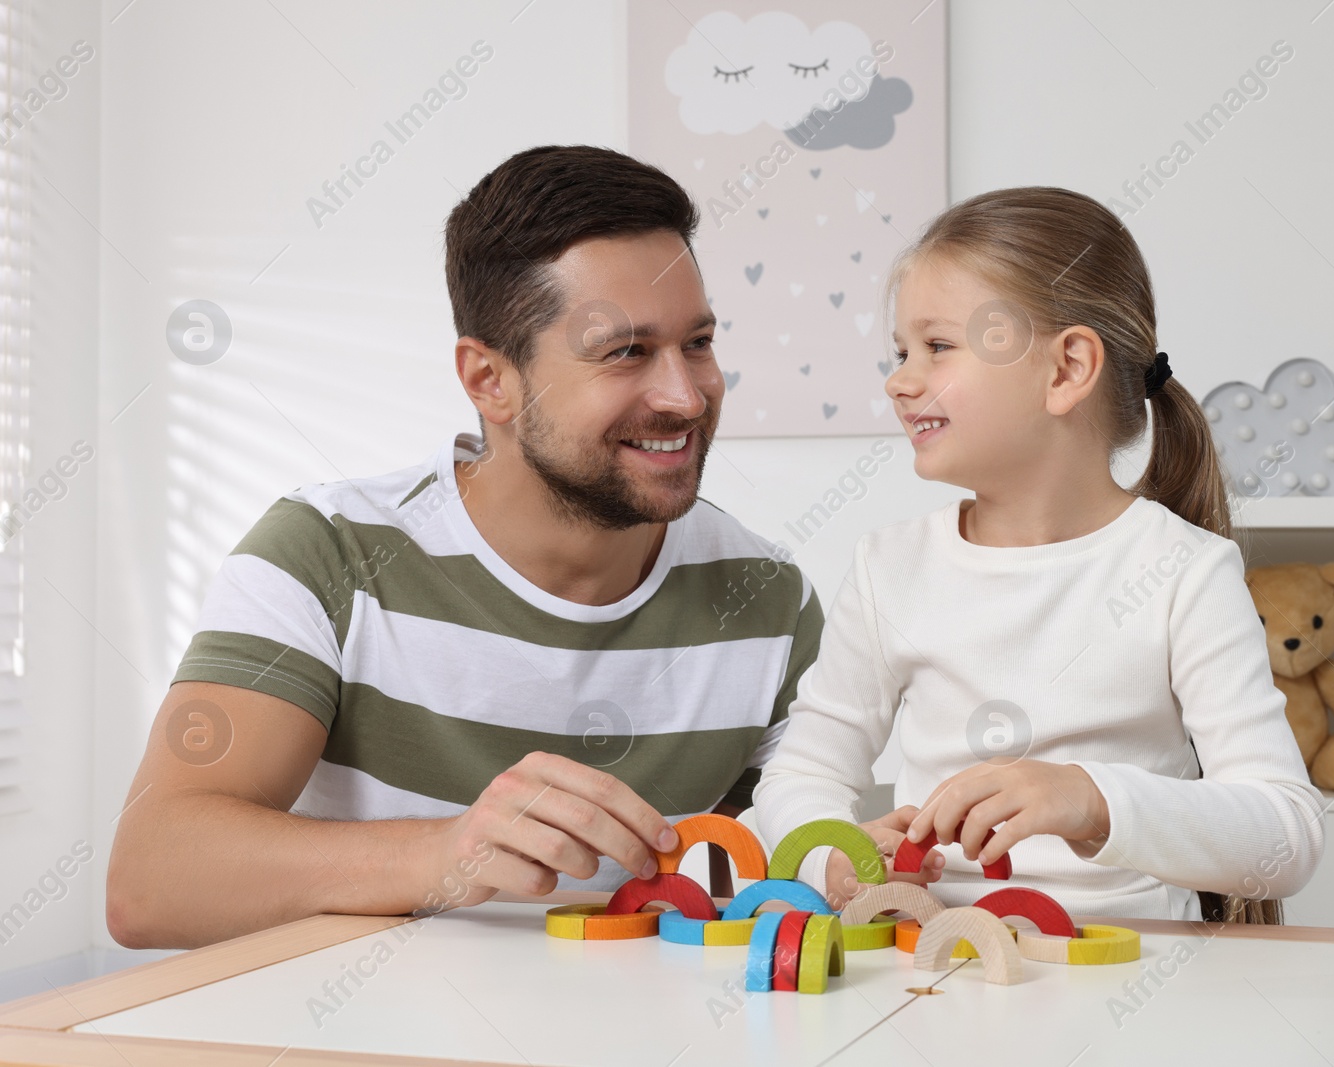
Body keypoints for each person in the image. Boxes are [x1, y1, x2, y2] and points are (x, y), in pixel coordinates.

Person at [106, 146, 821, 949]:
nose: (685, 395)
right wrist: (448, 851)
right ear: (489, 379)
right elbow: (150, 879)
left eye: (697, 342)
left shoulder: (767, 597)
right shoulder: (327, 557)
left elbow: (780, 874)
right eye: (626, 352)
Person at [753, 187, 1325, 922]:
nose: (899, 380)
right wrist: (830, 853)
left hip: (1136, 980)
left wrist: (1088, 800)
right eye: (901, 351)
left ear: (1066, 370)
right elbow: (800, 771)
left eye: (937, 346)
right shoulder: (889, 567)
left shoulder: (1185, 571)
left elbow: (1287, 835)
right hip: (935, 968)